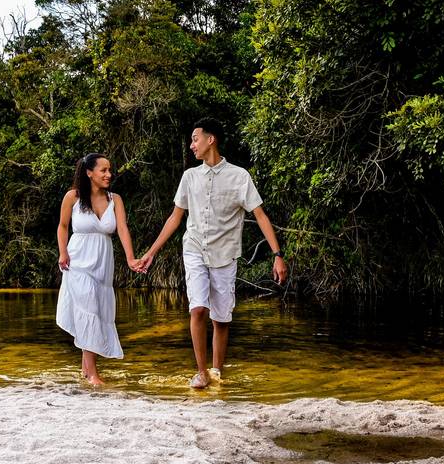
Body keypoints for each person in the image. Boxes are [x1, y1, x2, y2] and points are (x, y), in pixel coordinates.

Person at [137, 118, 288, 389]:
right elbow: (175, 217)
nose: (192, 145)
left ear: (211, 140)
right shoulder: (189, 177)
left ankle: (216, 371)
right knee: (197, 310)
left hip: (225, 255)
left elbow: (261, 215)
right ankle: (201, 372)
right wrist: (151, 252)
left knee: (221, 318)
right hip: (194, 247)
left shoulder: (240, 176)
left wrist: (277, 254)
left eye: (195, 139)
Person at [55, 153, 143, 386]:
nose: (108, 174)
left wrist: (131, 258)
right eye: (103, 170)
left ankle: (85, 368)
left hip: (103, 263)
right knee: (88, 310)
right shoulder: (73, 197)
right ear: (89, 172)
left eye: (109, 170)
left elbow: (122, 229)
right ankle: (93, 373)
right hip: (78, 262)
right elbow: (63, 227)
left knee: (97, 311)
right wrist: (63, 252)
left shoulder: (115, 199)